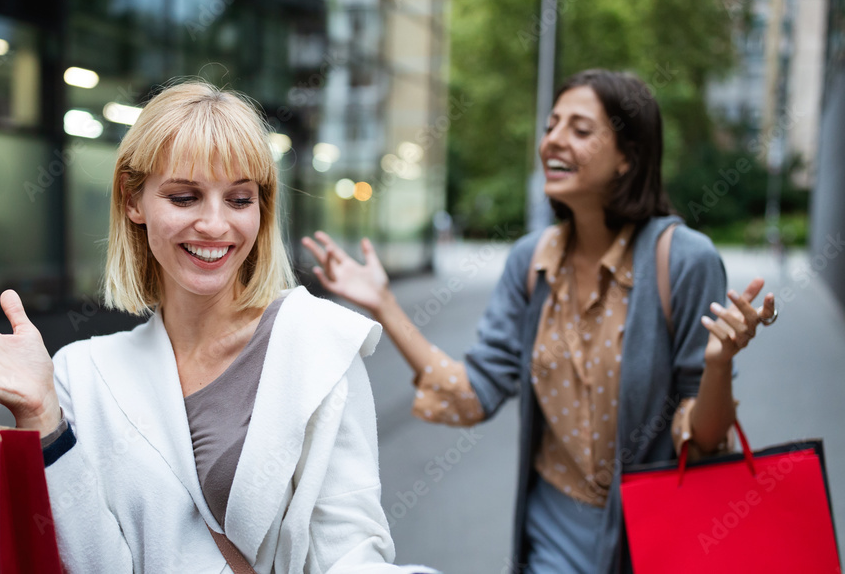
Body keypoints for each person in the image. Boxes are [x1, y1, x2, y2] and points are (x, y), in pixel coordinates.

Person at [0, 81, 436, 574]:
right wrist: (41, 414)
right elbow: (96, 563)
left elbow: (351, 553)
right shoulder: (83, 372)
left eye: (240, 198)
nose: (216, 224)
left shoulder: (317, 344)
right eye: (185, 196)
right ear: (133, 199)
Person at [302, 69, 777, 573]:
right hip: (552, 533)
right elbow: (472, 394)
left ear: (627, 157)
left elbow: (703, 439)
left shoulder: (683, 259)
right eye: (552, 125)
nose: (552, 140)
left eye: (580, 129)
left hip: (657, 533)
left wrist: (719, 364)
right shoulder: (531, 261)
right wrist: (384, 304)